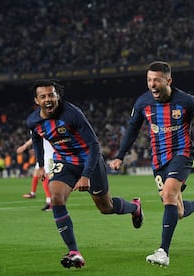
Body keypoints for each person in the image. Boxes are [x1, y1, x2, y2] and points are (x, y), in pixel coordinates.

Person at [110, 61, 194, 267]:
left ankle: (163, 251)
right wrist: (120, 155)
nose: (152, 85)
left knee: (169, 194)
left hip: (182, 154)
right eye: (149, 80)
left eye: (157, 80)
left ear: (169, 80)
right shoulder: (142, 103)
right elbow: (132, 130)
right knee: (177, 211)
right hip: (158, 160)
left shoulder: (187, 102)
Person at [26, 79, 144, 269]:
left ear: (58, 96)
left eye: (51, 95)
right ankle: (74, 252)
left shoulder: (72, 114)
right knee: (55, 197)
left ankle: (135, 207)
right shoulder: (33, 120)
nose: (48, 99)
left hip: (90, 161)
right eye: (43, 96)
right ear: (37, 100)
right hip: (64, 161)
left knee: (106, 207)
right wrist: (40, 165)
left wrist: (85, 175)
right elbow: (36, 138)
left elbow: (94, 145)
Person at [18, 138, 54, 211]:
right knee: (36, 173)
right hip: (43, 154)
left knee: (45, 176)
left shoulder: (44, 127)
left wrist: (24, 146)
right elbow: (35, 137)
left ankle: (50, 202)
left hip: (49, 155)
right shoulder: (38, 128)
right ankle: (32, 193)